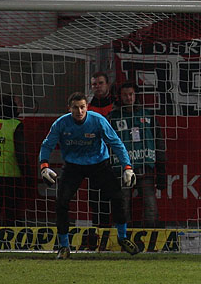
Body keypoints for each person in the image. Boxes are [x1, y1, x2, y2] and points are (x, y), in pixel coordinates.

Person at [39, 92, 139, 259]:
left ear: (87, 107)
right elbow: (47, 145)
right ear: (69, 108)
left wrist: (127, 167)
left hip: (99, 164)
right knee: (61, 202)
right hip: (73, 166)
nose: (79, 111)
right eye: (75, 108)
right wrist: (44, 166)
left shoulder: (98, 120)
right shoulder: (61, 123)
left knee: (118, 197)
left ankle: (123, 238)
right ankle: (64, 246)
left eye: (82, 107)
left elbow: (116, 143)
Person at [108, 82, 167, 228]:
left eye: (131, 94)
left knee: (150, 205)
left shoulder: (148, 115)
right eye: (125, 95)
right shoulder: (112, 118)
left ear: (136, 95)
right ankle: (122, 236)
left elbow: (159, 142)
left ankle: (151, 236)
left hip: (145, 168)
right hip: (121, 169)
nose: (128, 98)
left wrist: (161, 170)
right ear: (119, 96)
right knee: (122, 205)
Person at [0, 96, 26, 226]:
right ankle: (9, 235)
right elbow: (21, 153)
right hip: (10, 174)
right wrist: (27, 174)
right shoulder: (16, 125)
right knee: (11, 210)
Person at [87, 72, 114, 236]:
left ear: (107, 85)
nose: (97, 87)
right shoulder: (86, 109)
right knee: (96, 199)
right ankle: (98, 233)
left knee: (116, 199)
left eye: (100, 83)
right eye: (94, 84)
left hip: (114, 160)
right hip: (95, 161)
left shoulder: (116, 107)